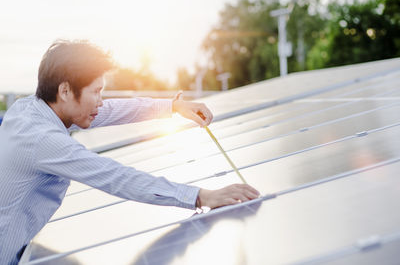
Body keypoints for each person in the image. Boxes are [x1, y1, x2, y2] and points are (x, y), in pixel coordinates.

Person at [0, 40, 260, 264]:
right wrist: (200, 196)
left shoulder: (30, 109)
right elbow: (113, 176)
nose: (101, 101)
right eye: (96, 91)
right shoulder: (42, 139)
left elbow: (110, 110)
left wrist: (173, 106)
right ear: (65, 90)